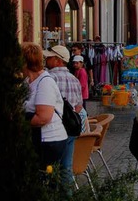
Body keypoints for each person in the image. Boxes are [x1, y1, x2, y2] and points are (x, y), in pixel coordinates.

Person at [22, 42, 67, 168]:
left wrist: (17, 120)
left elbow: (43, 118)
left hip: (49, 141)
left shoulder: (45, 82)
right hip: (37, 139)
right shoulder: (28, 81)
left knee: (45, 180)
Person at [44, 44, 85, 182]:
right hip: (71, 128)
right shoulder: (74, 79)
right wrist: (71, 114)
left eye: (49, 57)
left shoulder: (49, 77)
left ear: (57, 60)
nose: (45, 59)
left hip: (54, 130)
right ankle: (67, 195)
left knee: (50, 167)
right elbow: (79, 105)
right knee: (66, 167)